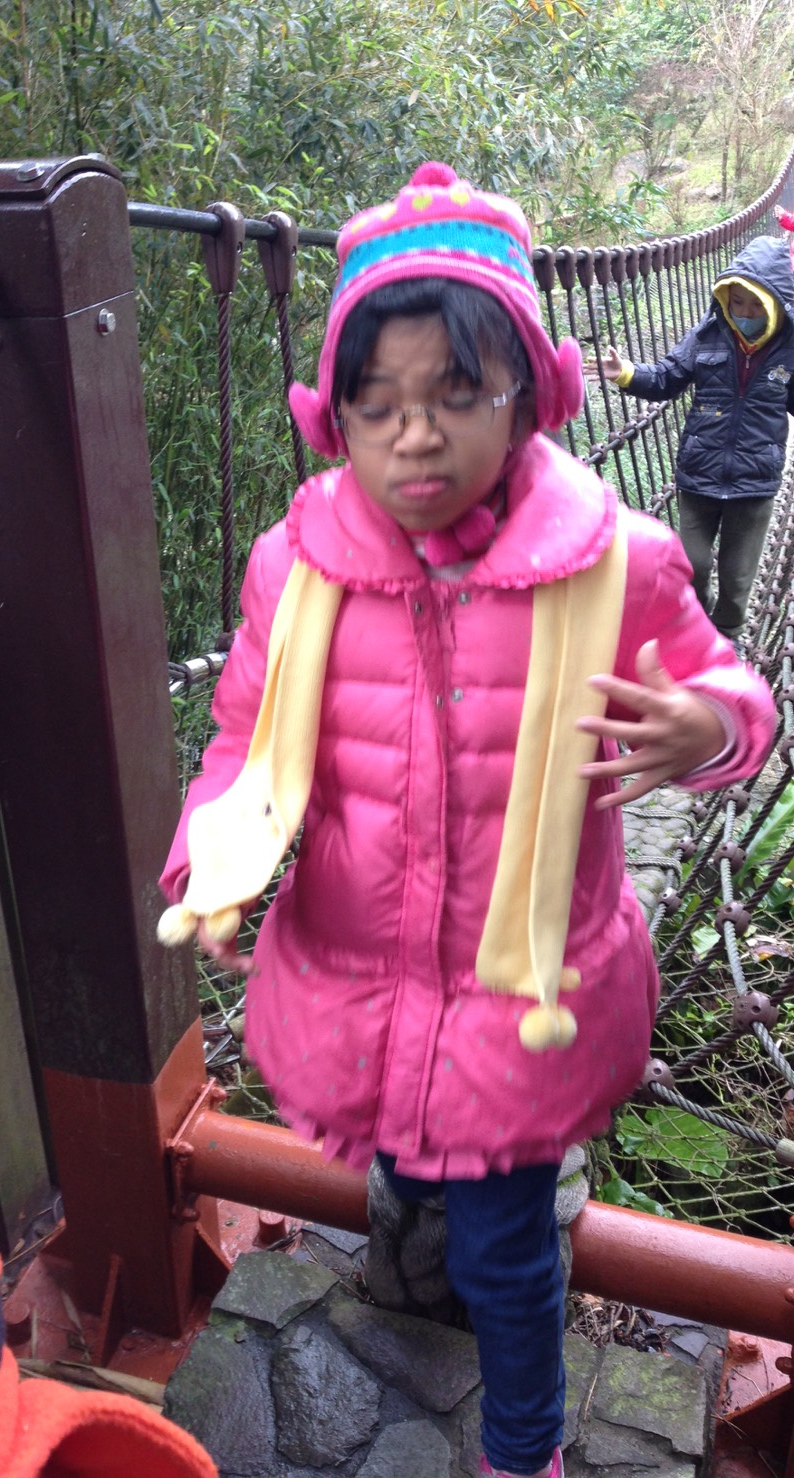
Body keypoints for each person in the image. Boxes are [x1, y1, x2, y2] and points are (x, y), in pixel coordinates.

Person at [157, 162, 775, 1478]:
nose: (415, 436)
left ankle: (522, 1444)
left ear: (528, 395)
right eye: (377, 403)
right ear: (336, 417)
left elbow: (734, 692)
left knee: (502, 1249)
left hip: (519, 1003)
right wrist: (214, 863)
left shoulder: (614, 561)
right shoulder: (296, 568)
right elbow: (244, 746)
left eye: (456, 394)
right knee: (404, 1168)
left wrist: (705, 727)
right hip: (365, 981)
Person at [584, 235, 794, 650]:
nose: (745, 313)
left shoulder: (789, 350)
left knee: (737, 574)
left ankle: (727, 636)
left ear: (776, 307)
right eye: (737, 302)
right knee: (691, 562)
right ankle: (697, 626)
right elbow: (667, 377)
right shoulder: (707, 336)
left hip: (755, 481)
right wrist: (626, 373)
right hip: (700, 472)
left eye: (756, 305)